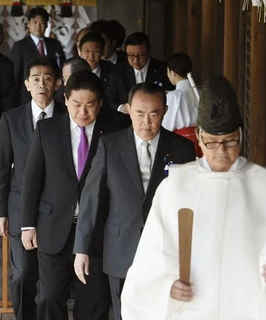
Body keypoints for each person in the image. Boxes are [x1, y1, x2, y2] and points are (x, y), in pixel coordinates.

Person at [121, 75, 266, 319]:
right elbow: (150, 258)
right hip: (192, 307)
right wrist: (166, 286)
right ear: (199, 137)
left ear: (240, 135)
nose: (221, 152)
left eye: (229, 142)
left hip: (245, 306)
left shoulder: (264, 186)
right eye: (212, 143)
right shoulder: (176, 186)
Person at [74, 82, 196, 320]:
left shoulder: (182, 148)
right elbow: (91, 198)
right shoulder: (110, 144)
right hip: (121, 246)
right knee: (124, 313)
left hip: (166, 249)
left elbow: (190, 203)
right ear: (129, 109)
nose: (146, 123)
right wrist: (81, 249)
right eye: (139, 114)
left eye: (154, 114)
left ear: (165, 110)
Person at [20, 70, 129, 320]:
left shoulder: (116, 129)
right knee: (49, 297)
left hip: (97, 231)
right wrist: (27, 224)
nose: (83, 112)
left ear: (100, 103)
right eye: (77, 104)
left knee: (93, 302)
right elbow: (32, 179)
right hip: (53, 226)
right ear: (65, 100)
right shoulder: (47, 130)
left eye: (90, 105)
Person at [0, 56, 65, 320]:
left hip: (57, 209)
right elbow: (1, 169)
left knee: (50, 281)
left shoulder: (67, 118)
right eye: (35, 79)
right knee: (23, 273)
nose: (41, 84)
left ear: (58, 83)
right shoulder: (11, 120)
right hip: (20, 207)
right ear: (26, 84)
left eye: (47, 78)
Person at [105, 32, 173, 112]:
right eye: (130, 55)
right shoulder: (118, 71)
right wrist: (122, 108)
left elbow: (171, 97)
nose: (135, 60)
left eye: (140, 55)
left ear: (148, 52)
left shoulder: (163, 69)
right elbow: (108, 99)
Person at [11, 7, 65, 105]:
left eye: (42, 22)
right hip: (27, 97)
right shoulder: (20, 46)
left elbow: (61, 70)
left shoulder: (55, 44)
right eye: (35, 22)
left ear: (46, 25)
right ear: (28, 24)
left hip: (53, 96)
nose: (38, 26)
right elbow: (16, 76)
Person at [163, 52, 201, 156]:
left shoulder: (173, 96)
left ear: (173, 73)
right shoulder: (201, 92)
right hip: (202, 142)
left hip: (182, 141)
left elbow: (166, 127)